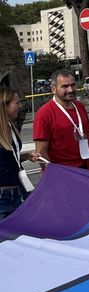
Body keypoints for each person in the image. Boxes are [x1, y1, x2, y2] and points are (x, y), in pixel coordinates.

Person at [33, 69, 89, 170]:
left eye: (73, 85)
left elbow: (87, 137)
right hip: (64, 174)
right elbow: (41, 153)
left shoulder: (79, 106)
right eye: (65, 86)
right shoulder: (44, 113)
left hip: (86, 168)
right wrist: (53, 175)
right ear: (53, 89)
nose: (70, 89)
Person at [0, 88, 34, 219]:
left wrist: (24, 156)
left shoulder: (10, 126)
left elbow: (8, 158)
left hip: (17, 191)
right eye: (16, 103)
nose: (20, 106)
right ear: (5, 105)